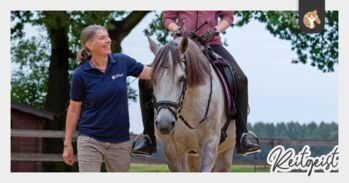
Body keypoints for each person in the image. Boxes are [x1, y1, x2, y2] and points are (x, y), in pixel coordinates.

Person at [132, 11, 261, 156]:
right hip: (180, 46)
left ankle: (242, 134)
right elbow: (168, 18)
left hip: (211, 43)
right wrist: (179, 30)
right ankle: (148, 137)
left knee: (241, 79)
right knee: (145, 80)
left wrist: (216, 30)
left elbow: (228, 16)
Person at [62, 24, 152, 172]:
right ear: (89, 45)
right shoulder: (81, 74)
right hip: (90, 139)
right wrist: (67, 144)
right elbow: (73, 110)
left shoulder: (122, 61)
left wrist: (173, 62)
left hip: (120, 141)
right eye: (102, 38)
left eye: (108, 36)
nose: (108, 40)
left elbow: (150, 73)